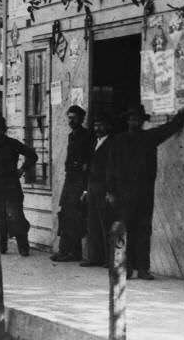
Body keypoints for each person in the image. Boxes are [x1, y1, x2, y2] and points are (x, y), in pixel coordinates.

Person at [107, 102, 184, 280]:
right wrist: (111, 191)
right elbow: (111, 168)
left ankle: (143, 268)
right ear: (127, 121)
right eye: (131, 119)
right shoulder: (118, 141)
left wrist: (182, 112)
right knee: (124, 230)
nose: (134, 122)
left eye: (137, 119)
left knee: (144, 229)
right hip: (123, 193)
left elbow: (170, 128)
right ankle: (126, 268)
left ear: (142, 121)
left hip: (144, 192)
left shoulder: (149, 137)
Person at [0, 113, 38, 256]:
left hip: (12, 185)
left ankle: (23, 247)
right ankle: (2, 246)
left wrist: (22, 169)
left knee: (16, 216)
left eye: (1, 129)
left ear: (5, 129)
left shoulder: (13, 144)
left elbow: (33, 155)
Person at [52, 105, 92, 262]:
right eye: (69, 117)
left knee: (74, 216)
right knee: (66, 215)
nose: (71, 121)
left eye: (74, 118)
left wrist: (84, 188)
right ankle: (72, 252)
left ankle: (67, 252)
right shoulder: (72, 136)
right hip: (70, 179)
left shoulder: (87, 136)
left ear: (81, 119)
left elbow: (88, 161)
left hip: (80, 181)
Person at [81, 113, 116, 267]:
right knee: (92, 223)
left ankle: (110, 259)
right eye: (95, 125)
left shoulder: (113, 144)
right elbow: (89, 167)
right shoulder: (94, 142)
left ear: (108, 126)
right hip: (92, 186)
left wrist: (110, 191)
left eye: (101, 125)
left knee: (106, 223)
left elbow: (113, 168)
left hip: (104, 187)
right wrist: (85, 190)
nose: (97, 128)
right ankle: (95, 257)